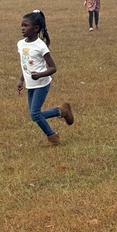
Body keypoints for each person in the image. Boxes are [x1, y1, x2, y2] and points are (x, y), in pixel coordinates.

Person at [17, 9, 74, 146]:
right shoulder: (20, 44)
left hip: (42, 83)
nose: (23, 28)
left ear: (36, 28)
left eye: (26, 26)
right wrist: (21, 80)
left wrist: (40, 75)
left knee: (35, 114)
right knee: (34, 115)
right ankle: (62, 111)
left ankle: (52, 136)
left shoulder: (40, 46)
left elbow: (53, 68)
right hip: (30, 84)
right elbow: (24, 64)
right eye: (22, 26)